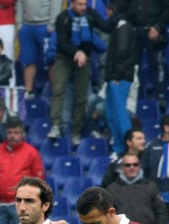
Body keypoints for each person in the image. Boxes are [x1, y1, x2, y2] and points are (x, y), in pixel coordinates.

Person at [48, 0, 110, 145]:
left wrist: (119, 20)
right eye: (80, 5)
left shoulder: (90, 15)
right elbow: (62, 43)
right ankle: (56, 125)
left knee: (81, 96)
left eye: (84, 4)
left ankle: (76, 131)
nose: (83, 8)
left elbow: (105, 26)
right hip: (64, 57)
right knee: (58, 90)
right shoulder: (63, 18)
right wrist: (76, 51)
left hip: (84, 59)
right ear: (72, 4)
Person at [0, 116, 44, 224]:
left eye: (16, 132)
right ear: (6, 134)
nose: (13, 135)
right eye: (10, 132)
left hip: (22, 205)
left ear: (23, 134)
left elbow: (38, 180)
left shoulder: (31, 152)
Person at [103, 7, 138, 156]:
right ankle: (118, 149)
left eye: (108, 10)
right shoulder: (119, 26)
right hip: (114, 78)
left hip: (119, 78)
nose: (107, 14)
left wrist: (117, 75)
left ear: (112, 11)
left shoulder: (123, 26)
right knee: (111, 115)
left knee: (119, 115)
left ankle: (129, 150)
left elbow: (122, 52)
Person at [106, 153, 169, 224]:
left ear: (139, 166)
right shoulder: (112, 189)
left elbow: (161, 214)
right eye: (128, 165)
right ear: (122, 167)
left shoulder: (151, 186)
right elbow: (108, 217)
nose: (132, 167)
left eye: (135, 164)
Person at [18, 0, 62, 99]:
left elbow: (56, 2)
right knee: (28, 61)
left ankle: (56, 95)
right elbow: (20, 2)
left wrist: (52, 24)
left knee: (51, 61)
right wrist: (19, 24)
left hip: (45, 25)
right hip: (27, 25)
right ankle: (28, 93)